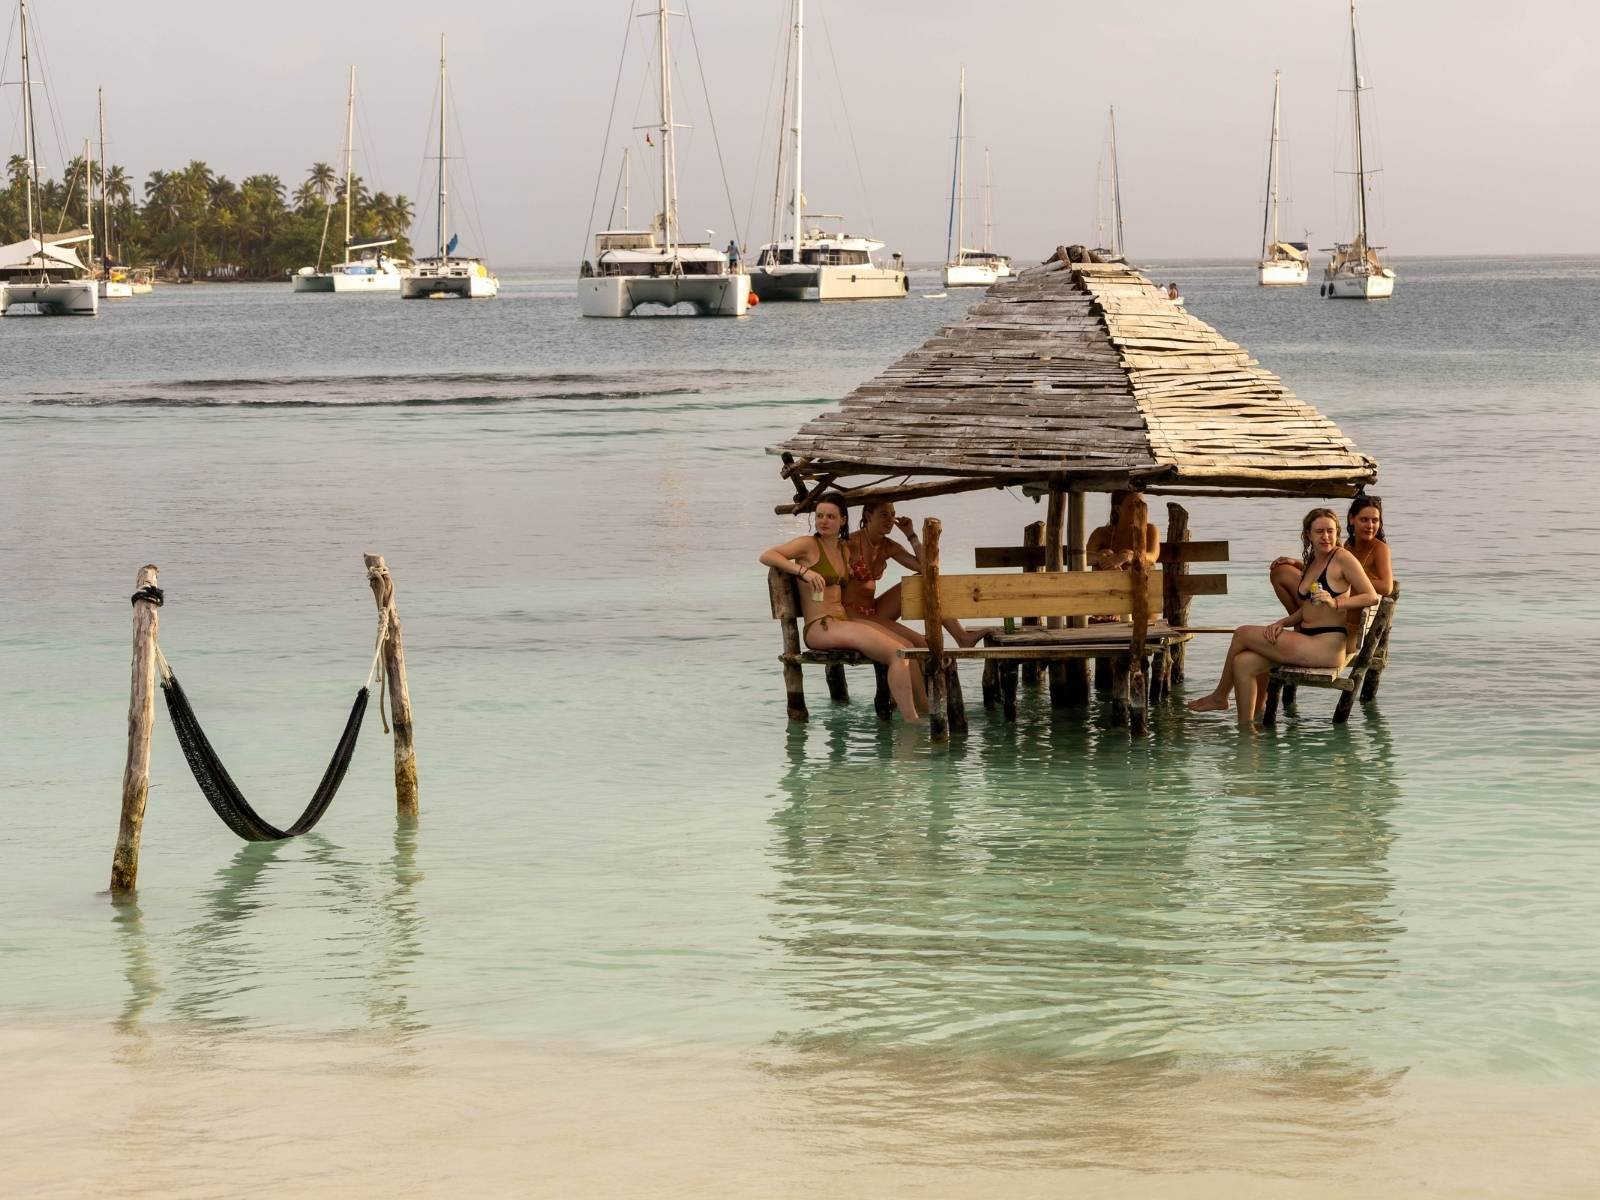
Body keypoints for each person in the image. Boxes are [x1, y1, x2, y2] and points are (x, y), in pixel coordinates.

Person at [1188, 508, 1379, 724]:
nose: (1326, 537)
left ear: (1337, 533)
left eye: (1330, 531)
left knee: (1242, 633)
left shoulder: (1342, 558)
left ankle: (1220, 696)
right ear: (1308, 534)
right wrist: (1282, 622)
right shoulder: (1314, 561)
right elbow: (1307, 609)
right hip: (1307, 639)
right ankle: (1248, 734)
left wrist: (1336, 602)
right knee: (1243, 663)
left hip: (1325, 646)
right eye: (1319, 532)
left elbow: (1371, 596)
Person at [760, 494, 928, 720]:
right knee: (897, 654)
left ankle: (925, 712)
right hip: (821, 626)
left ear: (843, 520)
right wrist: (803, 571)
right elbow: (767, 555)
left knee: (904, 648)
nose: (823, 521)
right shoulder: (808, 544)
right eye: (819, 516)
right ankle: (912, 723)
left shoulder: (843, 549)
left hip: (843, 621)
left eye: (830, 516)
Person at [840, 498, 982, 648]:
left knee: (925, 579)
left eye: (892, 515)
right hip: (851, 614)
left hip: (874, 611)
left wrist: (911, 535)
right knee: (919, 642)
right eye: (884, 515)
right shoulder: (850, 543)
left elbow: (926, 568)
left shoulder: (888, 546)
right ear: (869, 516)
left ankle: (961, 637)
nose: (890, 520)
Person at [1271, 492, 1392, 653]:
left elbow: (1386, 587)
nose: (1370, 525)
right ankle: (1300, 624)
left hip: (1345, 629)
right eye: (1364, 520)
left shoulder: (1380, 548)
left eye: (1375, 520)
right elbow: (1329, 572)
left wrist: (1354, 579)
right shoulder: (1348, 545)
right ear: (1351, 519)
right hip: (1328, 613)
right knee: (1282, 572)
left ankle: (1304, 626)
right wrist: (1298, 564)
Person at [1084, 490, 1160, 622]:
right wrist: (1100, 557)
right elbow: (1083, 558)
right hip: (1107, 602)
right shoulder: (1101, 533)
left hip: (1142, 602)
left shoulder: (1150, 530)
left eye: (1141, 505)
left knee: (1131, 564)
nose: (1138, 510)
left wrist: (1128, 556)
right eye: (1133, 506)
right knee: (1106, 554)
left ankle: (1121, 613)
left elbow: (1152, 557)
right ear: (1117, 508)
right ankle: (1110, 613)